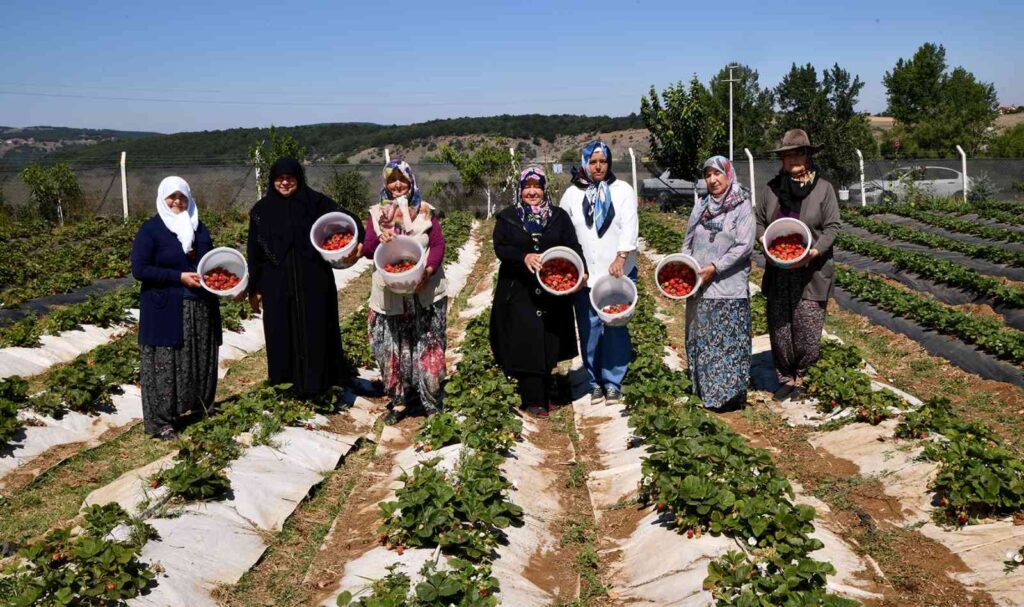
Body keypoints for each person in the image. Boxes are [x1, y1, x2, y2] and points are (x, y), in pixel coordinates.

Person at [247, 158, 364, 399]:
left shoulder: (316, 203)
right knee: (281, 330)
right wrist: (255, 287)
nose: (285, 182)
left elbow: (350, 221)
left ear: (299, 178)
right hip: (276, 282)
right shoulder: (261, 211)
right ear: (272, 180)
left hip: (313, 279)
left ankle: (318, 384)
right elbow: (254, 252)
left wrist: (357, 242)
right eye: (280, 178)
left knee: (316, 327)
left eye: (290, 177)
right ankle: (285, 386)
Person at [491, 167, 586, 418]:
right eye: (527, 186)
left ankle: (548, 391)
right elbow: (501, 247)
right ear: (520, 189)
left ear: (544, 188)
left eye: (537, 186)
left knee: (549, 338)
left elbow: (573, 245)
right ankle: (533, 398)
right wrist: (523, 256)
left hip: (553, 288)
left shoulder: (558, 216)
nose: (532, 191)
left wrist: (581, 270)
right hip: (519, 289)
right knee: (527, 339)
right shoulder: (508, 217)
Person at [131, 176, 222, 440]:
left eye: (182, 197)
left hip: (200, 305)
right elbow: (140, 269)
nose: (177, 202)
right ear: (162, 198)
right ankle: (162, 422)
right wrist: (178, 277)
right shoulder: (151, 230)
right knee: (166, 363)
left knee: (199, 358)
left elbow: (210, 261)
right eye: (172, 197)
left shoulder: (199, 228)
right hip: (166, 308)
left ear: (189, 198)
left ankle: (199, 407)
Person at [755, 129, 841, 400]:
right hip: (778, 268)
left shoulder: (823, 189)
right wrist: (764, 240)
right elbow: (759, 222)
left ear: (808, 156)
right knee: (780, 326)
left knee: (806, 326)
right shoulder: (770, 189)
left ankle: (804, 376)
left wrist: (814, 251)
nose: (792, 160)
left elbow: (832, 226)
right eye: (787, 155)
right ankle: (784, 376)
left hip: (810, 269)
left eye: (798, 154)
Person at [362, 160, 448, 423]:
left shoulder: (425, 211)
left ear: (411, 181)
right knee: (390, 348)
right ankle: (400, 401)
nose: (397, 184)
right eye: (392, 180)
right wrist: (379, 239)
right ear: (385, 184)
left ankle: (431, 402)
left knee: (428, 345)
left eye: (402, 179)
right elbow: (366, 250)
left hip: (425, 289)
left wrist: (428, 271)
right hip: (389, 293)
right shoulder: (377, 213)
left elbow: (437, 244)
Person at [561, 141, 638, 406]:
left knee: (615, 327)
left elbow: (630, 225)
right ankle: (594, 382)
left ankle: (613, 382)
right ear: (584, 163)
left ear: (609, 163)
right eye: (593, 162)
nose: (598, 166)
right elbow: (564, 231)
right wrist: (572, 268)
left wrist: (622, 255)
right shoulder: (572, 194)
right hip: (585, 276)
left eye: (602, 161)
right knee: (589, 328)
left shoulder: (622, 190)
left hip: (617, 273)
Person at [682, 156, 755, 411]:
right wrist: (686, 268)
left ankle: (729, 397)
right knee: (702, 341)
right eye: (708, 175)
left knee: (728, 342)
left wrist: (715, 267)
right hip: (700, 287)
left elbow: (744, 246)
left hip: (728, 287)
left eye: (717, 174)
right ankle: (705, 394)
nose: (712, 180)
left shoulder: (742, 206)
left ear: (728, 174)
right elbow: (687, 242)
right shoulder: (701, 206)